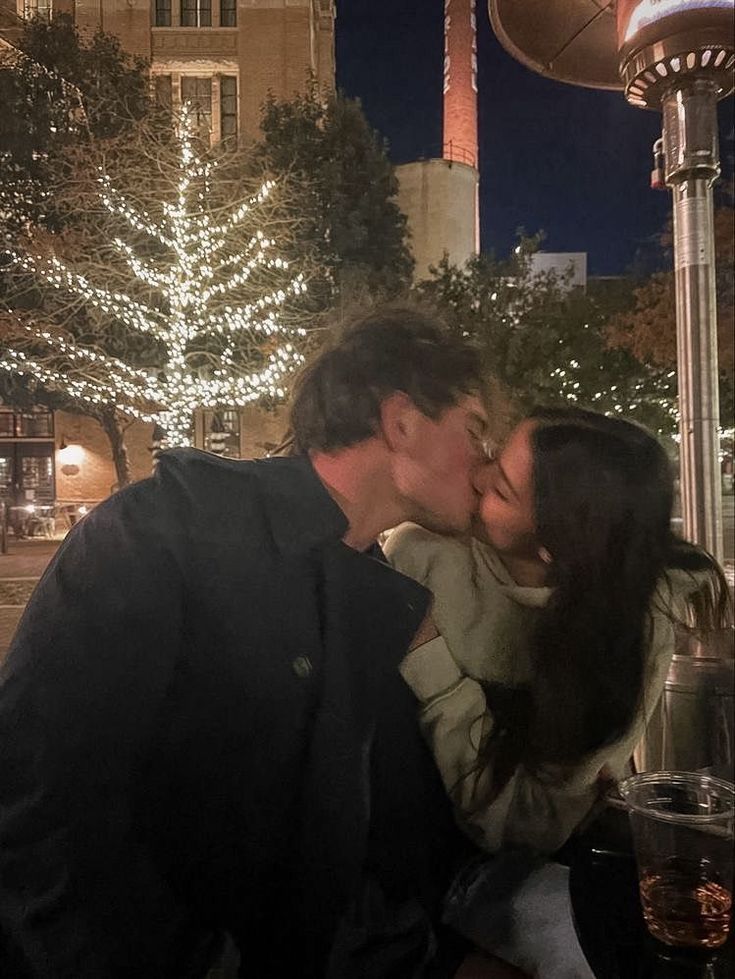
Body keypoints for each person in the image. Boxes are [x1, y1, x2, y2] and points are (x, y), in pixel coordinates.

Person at [0, 307, 493, 979]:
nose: (487, 467)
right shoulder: (163, 529)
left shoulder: (376, 592)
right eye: (476, 432)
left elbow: (347, 859)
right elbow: (39, 814)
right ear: (401, 421)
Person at [386, 406, 732, 978]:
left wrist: (433, 666)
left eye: (500, 487)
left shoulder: (624, 632)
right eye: (494, 454)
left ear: (557, 544)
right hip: (408, 860)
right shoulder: (422, 553)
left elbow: (530, 825)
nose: (476, 476)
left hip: (522, 869)